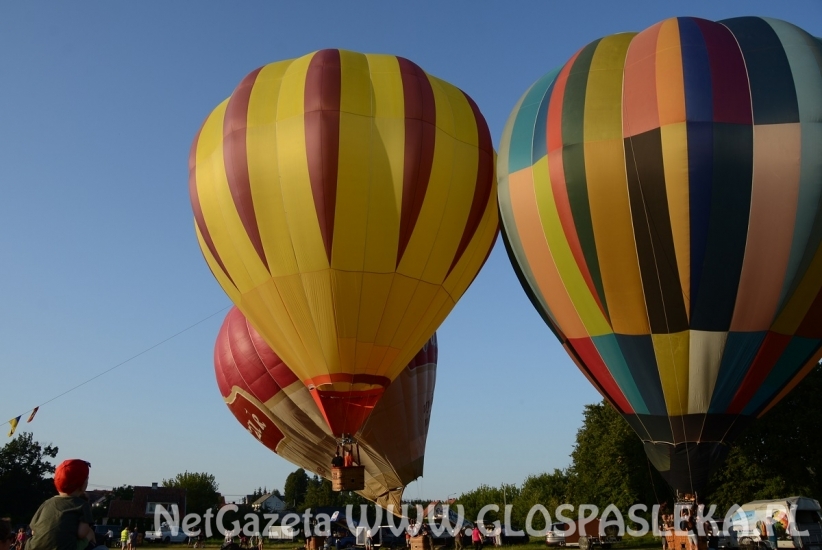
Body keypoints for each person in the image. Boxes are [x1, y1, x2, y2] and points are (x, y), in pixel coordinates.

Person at [26, 459, 96, 550]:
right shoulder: (82, 505)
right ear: (82, 484)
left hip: (33, 547)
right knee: (90, 533)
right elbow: (81, 534)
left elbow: (33, 531)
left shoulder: (46, 503)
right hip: (64, 548)